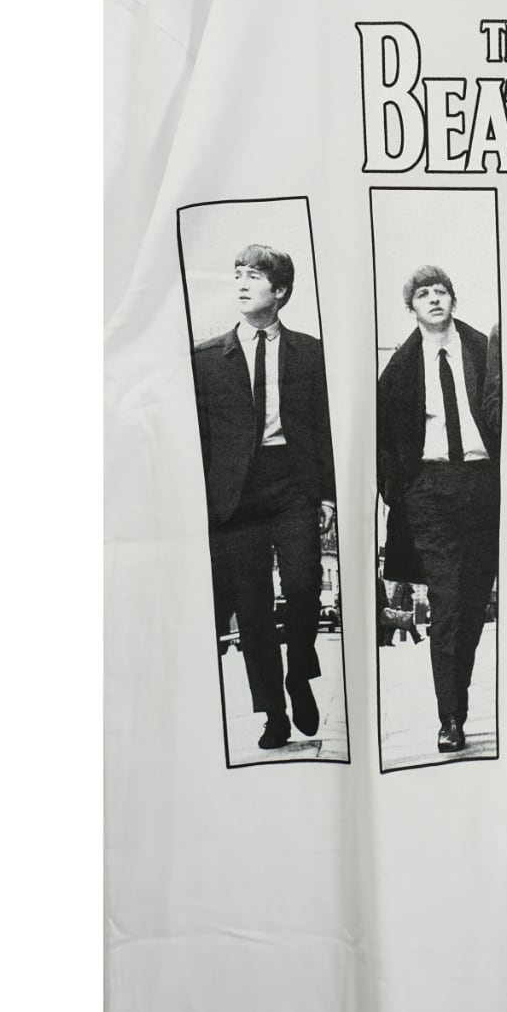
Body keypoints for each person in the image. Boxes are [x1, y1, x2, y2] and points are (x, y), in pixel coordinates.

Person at [191, 244, 337, 751]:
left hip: (292, 482)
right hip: (235, 496)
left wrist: (327, 496)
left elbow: (324, 427)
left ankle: (299, 672)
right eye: (237, 274)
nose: (241, 283)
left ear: (280, 291)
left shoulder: (311, 353)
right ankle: (273, 712)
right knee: (251, 608)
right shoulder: (207, 358)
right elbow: (199, 440)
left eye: (254, 276)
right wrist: (205, 505)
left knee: (304, 586)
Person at [377, 266, 500, 753]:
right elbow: (384, 438)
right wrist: (400, 491)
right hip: (429, 489)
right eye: (423, 294)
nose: (433, 299)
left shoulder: (485, 351)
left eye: (441, 291)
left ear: (453, 299)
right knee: (447, 602)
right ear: (411, 307)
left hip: (483, 485)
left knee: (472, 604)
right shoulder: (399, 368)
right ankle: (449, 717)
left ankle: (457, 701)